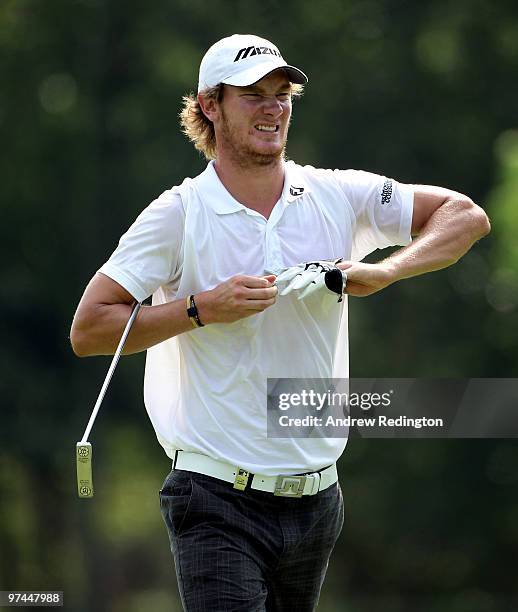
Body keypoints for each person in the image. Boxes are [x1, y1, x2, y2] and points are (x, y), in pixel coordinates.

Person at [70, 33, 490, 611]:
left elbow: (464, 215)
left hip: (318, 503)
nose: (274, 108)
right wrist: (199, 310)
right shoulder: (179, 214)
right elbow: (90, 328)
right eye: (254, 95)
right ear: (210, 106)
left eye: (282, 94)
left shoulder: (335, 194)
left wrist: (388, 272)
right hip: (215, 499)